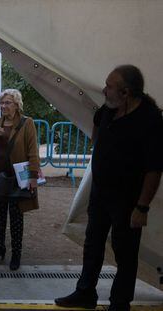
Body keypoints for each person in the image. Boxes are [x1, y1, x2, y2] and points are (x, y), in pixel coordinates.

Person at [55, 65, 163, 311]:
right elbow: (97, 130)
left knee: (125, 252)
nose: (104, 90)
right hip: (101, 192)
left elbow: (154, 169)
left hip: (128, 198)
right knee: (92, 243)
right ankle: (85, 293)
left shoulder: (150, 120)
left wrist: (142, 207)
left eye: (109, 86)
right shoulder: (108, 109)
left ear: (126, 93)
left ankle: (119, 302)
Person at [0, 89, 40, 270]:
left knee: (16, 218)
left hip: (17, 179)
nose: (4, 106)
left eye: (8, 103)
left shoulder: (26, 123)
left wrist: (32, 178)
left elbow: (33, 152)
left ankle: (16, 254)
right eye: (2, 103)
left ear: (17, 104)